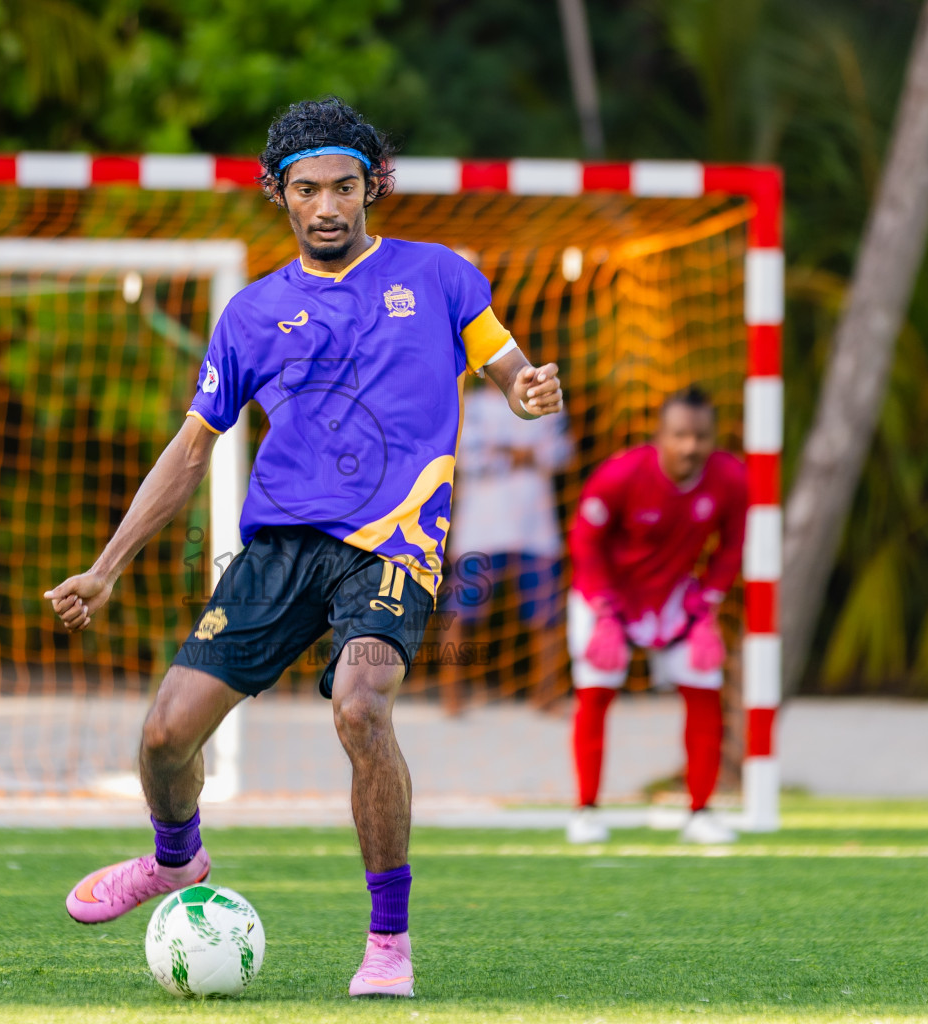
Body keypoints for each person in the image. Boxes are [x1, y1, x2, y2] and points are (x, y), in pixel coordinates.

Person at [43, 98, 563, 998]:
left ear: (374, 189)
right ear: (279, 196)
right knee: (166, 737)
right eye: (308, 189)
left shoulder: (439, 276)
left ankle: (389, 942)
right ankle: (175, 863)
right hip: (279, 547)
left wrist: (526, 389)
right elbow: (192, 447)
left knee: (362, 705)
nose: (328, 205)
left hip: (392, 544)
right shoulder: (250, 315)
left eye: (345, 188)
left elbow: (507, 365)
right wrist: (108, 563)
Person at [565, 386, 745, 845]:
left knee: (705, 689)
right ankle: (585, 811)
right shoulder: (621, 475)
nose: (691, 446)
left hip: (673, 600)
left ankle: (700, 813)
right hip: (607, 595)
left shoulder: (731, 479)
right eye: (681, 435)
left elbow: (732, 547)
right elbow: (585, 542)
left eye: (701, 436)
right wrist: (603, 610)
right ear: (660, 436)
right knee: (596, 694)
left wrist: (708, 605)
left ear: (714, 436)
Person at [440, 377, 570, 705]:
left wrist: (502, 451)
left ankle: (548, 696)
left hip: (536, 528)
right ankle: (451, 698)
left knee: (547, 615)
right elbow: (467, 459)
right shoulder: (468, 404)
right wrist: (525, 454)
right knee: (460, 614)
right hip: (480, 528)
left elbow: (560, 453)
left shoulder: (545, 402)